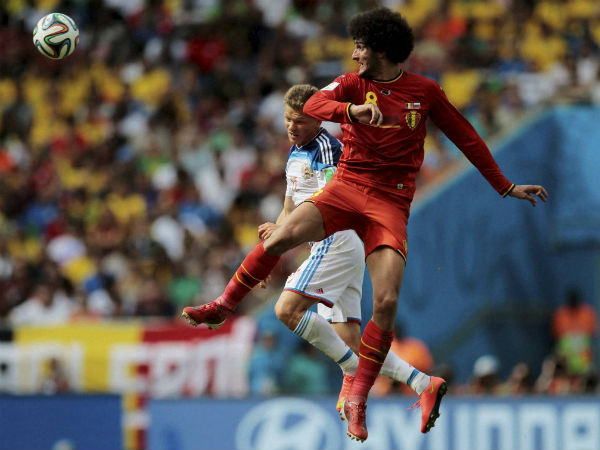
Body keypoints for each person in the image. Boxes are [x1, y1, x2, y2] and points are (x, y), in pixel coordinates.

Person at [183, 7, 548, 442]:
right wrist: (352, 112)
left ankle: (358, 398)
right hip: (347, 187)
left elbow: (466, 137)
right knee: (282, 238)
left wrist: (505, 186)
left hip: (390, 203)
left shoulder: (425, 92)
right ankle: (224, 306)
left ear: (382, 51)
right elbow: (315, 103)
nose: (354, 54)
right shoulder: (351, 84)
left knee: (387, 302)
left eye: (360, 47)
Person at [255, 84, 436, 415]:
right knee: (349, 340)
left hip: (335, 241)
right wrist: (271, 251)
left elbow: (328, 208)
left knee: (287, 310)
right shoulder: (295, 154)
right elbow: (289, 210)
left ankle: (352, 373)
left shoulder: (329, 151)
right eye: (287, 119)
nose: (291, 126)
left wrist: (280, 236)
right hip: (335, 245)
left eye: (299, 120)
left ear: (318, 118)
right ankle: (423, 382)